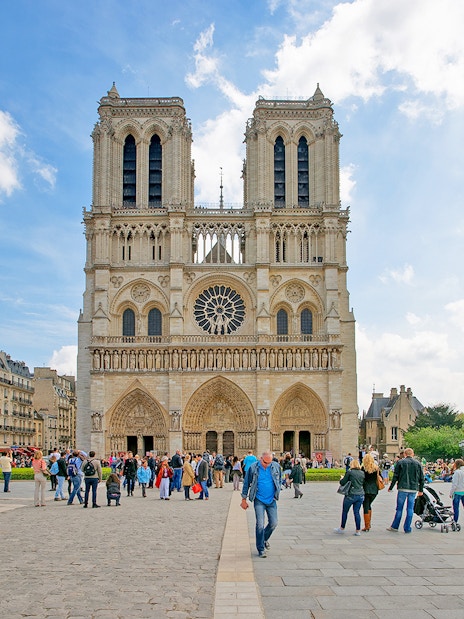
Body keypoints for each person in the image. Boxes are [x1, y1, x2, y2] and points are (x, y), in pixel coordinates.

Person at [241, 450, 282, 558]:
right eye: (265, 462)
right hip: (259, 499)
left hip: (271, 500)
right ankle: (260, 549)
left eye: (270, 462)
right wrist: (243, 499)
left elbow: (279, 479)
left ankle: (263, 539)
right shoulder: (253, 467)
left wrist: (277, 492)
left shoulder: (276, 466)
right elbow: (246, 483)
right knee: (260, 524)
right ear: (261, 459)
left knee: (274, 523)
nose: (268, 465)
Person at [387, 447, 424, 533]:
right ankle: (407, 528)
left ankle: (395, 526)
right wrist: (420, 490)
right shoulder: (418, 464)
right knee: (410, 509)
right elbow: (422, 478)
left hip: (402, 487)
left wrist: (391, 487)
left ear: (404, 454)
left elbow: (395, 476)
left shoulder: (400, 462)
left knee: (399, 508)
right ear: (413, 454)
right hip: (413, 488)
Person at [334, 458, 365, 536]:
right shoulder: (362, 473)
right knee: (357, 512)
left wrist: (341, 478)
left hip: (351, 494)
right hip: (360, 494)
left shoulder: (350, 472)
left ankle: (342, 528)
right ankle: (358, 530)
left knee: (345, 511)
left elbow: (342, 482)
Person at [361, 453, 380, 531]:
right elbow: (379, 477)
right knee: (369, 505)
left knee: (365, 506)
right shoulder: (376, 468)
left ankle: (367, 525)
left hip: (365, 489)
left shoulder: (363, 468)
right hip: (374, 489)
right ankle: (369, 524)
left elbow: (362, 479)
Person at [450, 458, 464, 523]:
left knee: (456, 508)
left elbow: (454, 484)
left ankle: (455, 521)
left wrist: (451, 493)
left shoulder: (457, 472)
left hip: (458, 491)